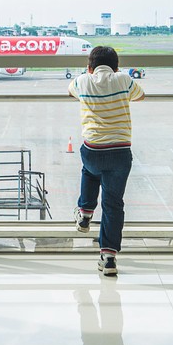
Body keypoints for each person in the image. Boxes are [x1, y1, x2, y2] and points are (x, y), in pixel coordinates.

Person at [68, 46, 145, 276]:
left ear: (90, 67)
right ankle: (108, 258)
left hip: (92, 149)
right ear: (117, 67)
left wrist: (88, 77)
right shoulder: (124, 79)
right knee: (113, 204)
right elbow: (140, 95)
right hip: (120, 153)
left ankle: (85, 211)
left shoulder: (83, 80)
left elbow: (71, 91)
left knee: (89, 171)